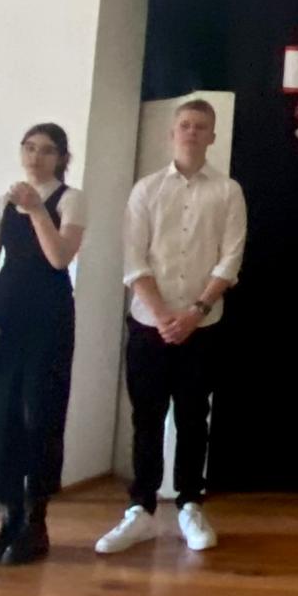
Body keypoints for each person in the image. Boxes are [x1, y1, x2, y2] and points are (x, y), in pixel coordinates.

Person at [95, 99, 246, 555]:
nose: (192, 132)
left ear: (212, 136)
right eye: (185, 125)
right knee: (146, 417)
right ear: (172, 133)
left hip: (203, 325)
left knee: (194, 417)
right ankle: (140, 509)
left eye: (201, 126)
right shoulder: (146, 190)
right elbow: (134, 259)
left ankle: (189, 504)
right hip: (150, 324)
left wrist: (195, 311)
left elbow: (230, 258)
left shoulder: (228, 191)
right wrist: (163, 315)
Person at [0, 123, 86, 566]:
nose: (36, 157)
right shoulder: (1, 204)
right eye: (30, 148)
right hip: (6, 316)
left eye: (47, 150)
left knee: (40, 414)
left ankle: (37, 521)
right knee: (0, 416)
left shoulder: (70, 199)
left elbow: (59, 257)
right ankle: (9, 517)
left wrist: (37, 209)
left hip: (48, 317)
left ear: (61, 158)